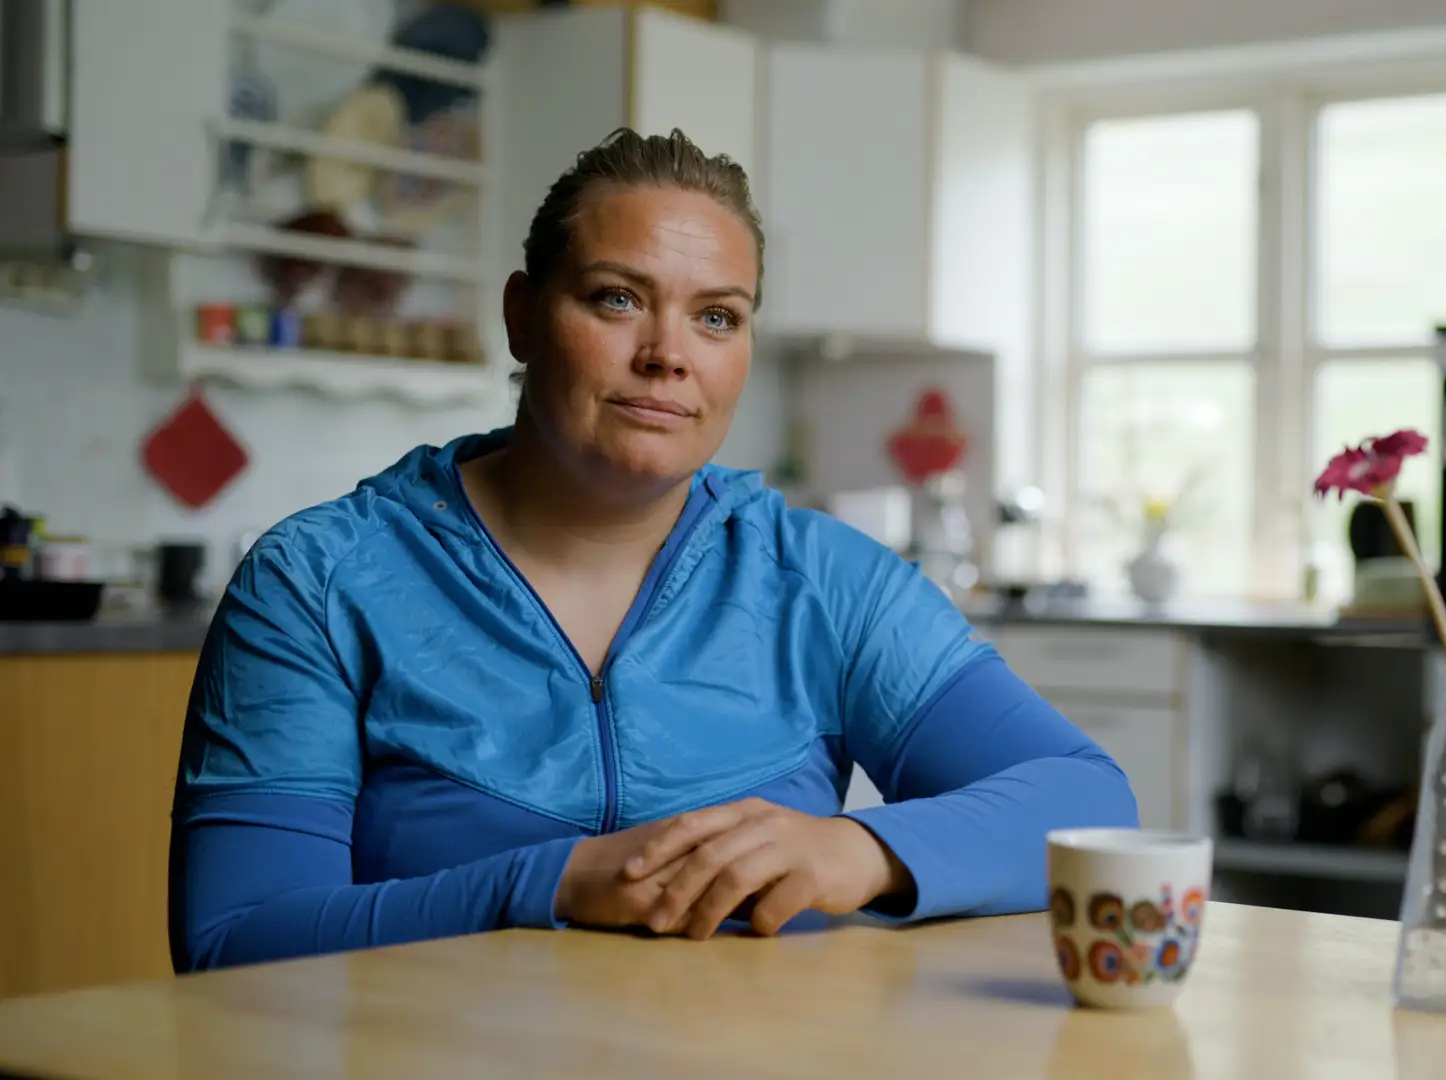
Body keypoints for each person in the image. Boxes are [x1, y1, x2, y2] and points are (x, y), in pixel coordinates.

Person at [168, 129, 1139, 972]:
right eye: (617, 299)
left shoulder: (826, 582)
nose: (669, 354)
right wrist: (551, 883)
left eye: (717, 316)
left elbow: (1088, 801)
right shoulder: (316, 584)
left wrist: (861, 850)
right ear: (521, 314)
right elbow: (235, 939)